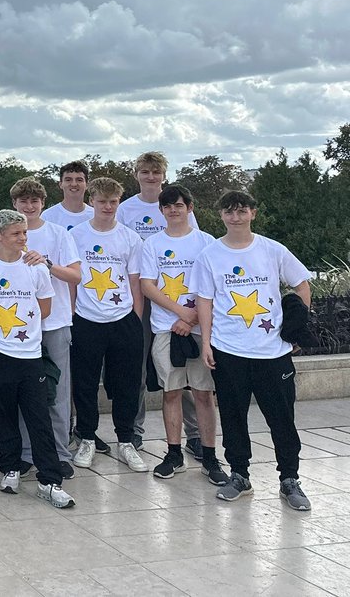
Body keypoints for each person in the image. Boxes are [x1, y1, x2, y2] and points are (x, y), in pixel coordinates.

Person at [196, 190, 313, 510]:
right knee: (233, 417)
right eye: (229, 212)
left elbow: (302, 283)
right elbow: (204, 300)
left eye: (242, 211)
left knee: (282, 419)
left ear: (253, 213)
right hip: (229, 349)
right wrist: (206, 341)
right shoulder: (210, 255)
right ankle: (239, 474)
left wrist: (298, 324)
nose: (236, 217)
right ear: (221, 215)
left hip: (272, 351)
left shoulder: (272, 250)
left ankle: (290, 478)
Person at [0, 210, 75, 509]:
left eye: (24, 233)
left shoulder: (35, 267)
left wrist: (21, 325)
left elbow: (45, 307)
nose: (23, 238)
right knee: (1, 415)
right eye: (16, 233)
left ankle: (49, 480)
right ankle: (10, 467)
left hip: (30, 354)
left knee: (39, 418)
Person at [0, 177, 82, 481]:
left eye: (34, 201)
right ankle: (28, 454)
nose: (29, 207)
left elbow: (75, 276)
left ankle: (60, 453)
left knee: (56, 393)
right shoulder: (3, 234)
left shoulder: (58, 234)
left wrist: (47, 263)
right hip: (15, 327)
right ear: (14, 204)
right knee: (22, 395)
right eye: (23, 201)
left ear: (42, 203)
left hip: (53, 322)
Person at [138, 185, 229, 485]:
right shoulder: (152, 244)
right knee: (172, 392)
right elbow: (148, 286)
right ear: (161, 211)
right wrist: (181, 313)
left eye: (178, 205)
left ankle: (210, 455)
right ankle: (173, 452)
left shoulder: (207, 242)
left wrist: (191, 321)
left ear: (190, 208)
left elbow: (217, 285)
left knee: (203, 394)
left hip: (201, 328)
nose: (173, 210)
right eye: (167, 206)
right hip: (166, 328)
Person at [118, 151, 201, 452]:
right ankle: (135, 429)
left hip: (178, 301)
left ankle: (193, 434)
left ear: (164, 174)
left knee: (184, 366)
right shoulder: (126, 209)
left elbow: (196, 258)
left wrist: (189, 311)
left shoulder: (180, 205)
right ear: (136, 174)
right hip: (140, 294)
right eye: (145, 171)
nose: (151, 177)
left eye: (156, 172)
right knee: (137, 366)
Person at [69, 177, 148, 472]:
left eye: (113, 202)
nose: (107, 207)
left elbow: (135, 282)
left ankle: (126, 440)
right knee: (86, 384)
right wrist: (75, 316)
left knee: (127, 383)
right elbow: (73, 280)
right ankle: (87, 437)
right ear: (92, 202)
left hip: (123, 320)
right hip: (86, 320)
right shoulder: (76, 235)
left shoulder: (129, 238)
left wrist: (135, 320)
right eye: (102, 201)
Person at [41, 161, 94, 232]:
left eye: (79, 180)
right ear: (60, 184)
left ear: (87, 185)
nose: (74, 184)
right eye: (68, 180)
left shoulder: (95, 215)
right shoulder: (48, 217)